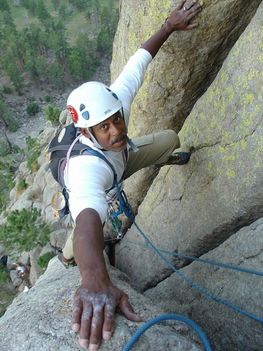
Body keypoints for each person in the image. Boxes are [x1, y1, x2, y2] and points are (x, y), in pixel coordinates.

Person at [61, 1, 202, 350]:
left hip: (125, 161)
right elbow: (88, 220)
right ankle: (66, 259)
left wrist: (169, 26)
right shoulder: (84, 170)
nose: (114, 130)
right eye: (104, 128)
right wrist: (95, 280)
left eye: (116, 121)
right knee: (85, 225)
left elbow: (140, 58)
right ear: (87, 134)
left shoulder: (114, 103)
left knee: (170, 139)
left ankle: (160, 159)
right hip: (102, 180)